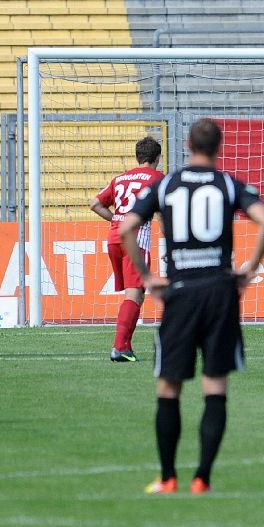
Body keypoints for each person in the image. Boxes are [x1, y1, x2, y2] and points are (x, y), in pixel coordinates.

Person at [118, 119, 264, 494]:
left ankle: (168, 477)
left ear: (188, 144)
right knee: (215, 385)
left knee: (169, 387)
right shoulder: (227, 184)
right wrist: (249, 269)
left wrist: (147, 276)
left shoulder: (166, 184)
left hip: (181, 292)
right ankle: (203, 478)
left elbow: (126, 228)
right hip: (220, 292)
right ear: (219, 147)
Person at [89, 136, 164, 362]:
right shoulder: (157, 178)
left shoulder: (120, 178)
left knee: (135, 294)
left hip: (114, 238)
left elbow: (95, 204)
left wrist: (116, 219)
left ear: (137, 157)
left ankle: (126, 347)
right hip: (136, 240)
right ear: (157, 158)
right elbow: (161, 212)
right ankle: (120, 348)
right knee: (134, 293)